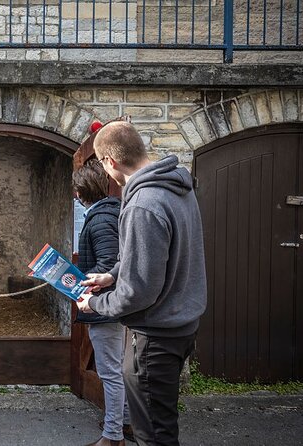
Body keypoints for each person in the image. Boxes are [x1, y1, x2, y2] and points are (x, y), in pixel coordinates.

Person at [77, 121, 207, 446]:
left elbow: (138, 293)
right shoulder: (177, 187)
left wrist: (94, 303)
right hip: (181, 327)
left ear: (110, 162)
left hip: (154, 339)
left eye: (105, 168)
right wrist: (113, 275)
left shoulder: (142, 204)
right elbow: (152, 255)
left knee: (153, 436)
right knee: (162, 426)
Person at [73, 159, 132, 446]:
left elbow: (108, 265)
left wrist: (87, 293)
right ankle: (125, 423)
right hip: (109, 304)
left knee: (110, 372)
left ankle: (113, 437)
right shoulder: (110, 213)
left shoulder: (100, 219)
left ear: (82, 192)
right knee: (118, 369)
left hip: (105, 307)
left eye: (76, 190)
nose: (75, 195)